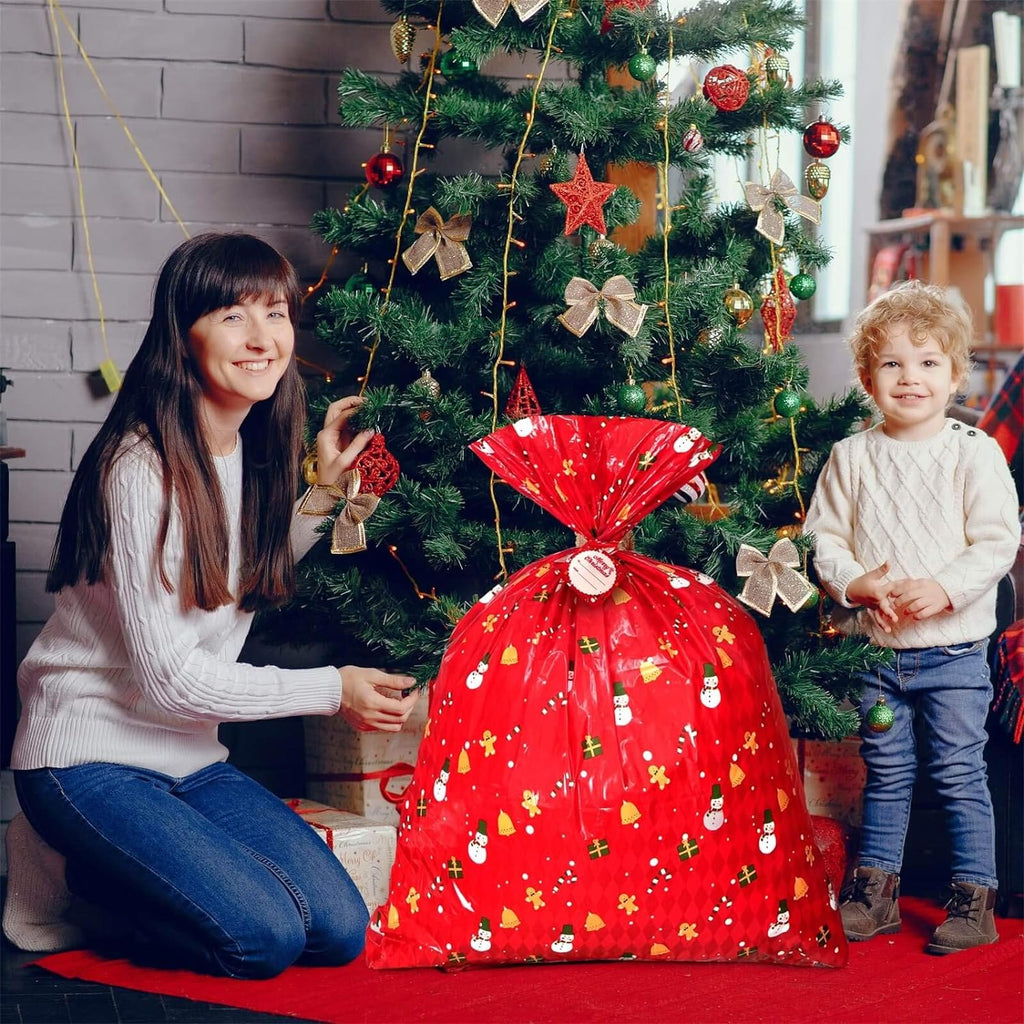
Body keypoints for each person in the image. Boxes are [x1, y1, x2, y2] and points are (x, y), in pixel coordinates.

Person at [2, 233, 420, 978]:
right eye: (233, 316)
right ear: (182, 334)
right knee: (262, 940)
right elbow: (173, 681)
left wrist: (320, 494)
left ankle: (127, 860)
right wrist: (334, 689)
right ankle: (73, 874)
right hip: (87, 756)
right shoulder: (139, 468)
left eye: (277, 313)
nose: (263, 339)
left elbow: (233, 582)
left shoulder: (247, 449)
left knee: (338, 931)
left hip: (190, 757)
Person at [804, 279, 1020, 955]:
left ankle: (974, 894)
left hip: (954, 652)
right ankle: (876, 891)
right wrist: (856, 581)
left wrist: (946, 588)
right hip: (879, 654)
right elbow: (824, 540)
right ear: (868, 377)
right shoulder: (852, 456)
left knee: (958, 771)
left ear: (955, 374)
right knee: (887, 769)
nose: (910, 378)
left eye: (928, 363)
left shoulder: (972, 452)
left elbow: (996, 541)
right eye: (893, 363)